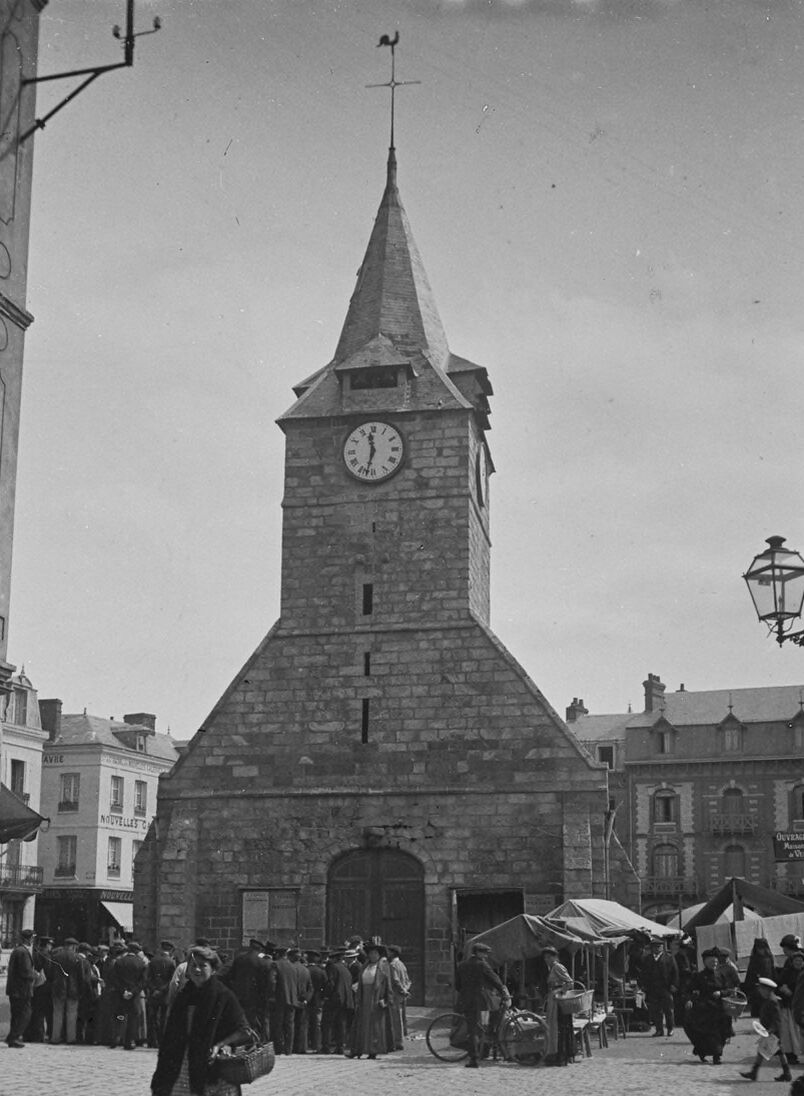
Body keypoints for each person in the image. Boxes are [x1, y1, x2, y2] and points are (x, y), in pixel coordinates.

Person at [151, 945, 250, 1096]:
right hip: (182, 1063)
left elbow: (243, 1030)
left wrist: (219, 1045)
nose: (197, 970)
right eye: (193, 966)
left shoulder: (224, 996)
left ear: (213, 969)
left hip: (212, 1065)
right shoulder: (184, 995)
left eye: (202, 966)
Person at [455, 941, 509, 1069]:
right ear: (478, 953)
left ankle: (475, 1057)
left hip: (467, 1000)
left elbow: (458, 985)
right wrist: (503, 991)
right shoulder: (482, 965)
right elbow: (494, 979)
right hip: (481, 1001)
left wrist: (465, 993)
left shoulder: (462, 965)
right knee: (487, 1023)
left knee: (472, 1029)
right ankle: (485, 1048)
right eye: (484, 953)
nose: (486, 956)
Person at [740, 977, 792, 1083]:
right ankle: (786, 1073)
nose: (759, 991)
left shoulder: (772, 1001)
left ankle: (755, 1073)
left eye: (761, 989)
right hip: (769, 1031)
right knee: (771, 1052)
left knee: (766, 1051)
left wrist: (770, 1030)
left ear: (767, 990)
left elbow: (776, 1019)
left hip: (773, 1032)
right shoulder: (768, 999)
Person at [682, 946, 729, 1064]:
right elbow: (689, 990)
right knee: (706, 1033)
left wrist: (721, 993)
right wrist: (689, 1000)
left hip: (720, 1008)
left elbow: (729, 990)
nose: (714, 963)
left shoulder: (721, 975)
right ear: (705, 962)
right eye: (712, 961)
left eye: (716, 962)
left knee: (721, 1033)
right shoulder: (699, 976)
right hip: (705, 1008)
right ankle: (706, 1052)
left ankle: (717, 1055)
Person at [347, 941, 393, 1060]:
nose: (373, 956)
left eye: (375, 954)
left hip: (376, 998)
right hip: (364, 998)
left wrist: (386, 1000)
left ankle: (373, 1051)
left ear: (379, 955)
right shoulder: (365, 966)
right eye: (371, 953)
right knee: (360, 1025)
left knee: (374, 1027)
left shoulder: (383, 967)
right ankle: (357, 1050)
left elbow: (388, 985)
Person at [223, 939, 271, 1043]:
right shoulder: (262, 962)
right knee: (257, 1020)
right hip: (256, 997)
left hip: (239, 995)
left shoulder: (239, 958)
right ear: (260, 949)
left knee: (242, 1020)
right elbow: (264, 982)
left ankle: (245, 1042)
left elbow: (230, 976)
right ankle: (258, 1042)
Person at [50, 936, 89, 1045]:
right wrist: (81, 990)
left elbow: (50, 973)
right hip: (73, 989)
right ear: (74, 946)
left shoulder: (56, 956)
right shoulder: (77, 958)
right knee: (71, 1014)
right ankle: (70, 1038)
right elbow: (81, 977)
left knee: (57, 1013)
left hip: (58, 989)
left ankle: (55, 1037)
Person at [109, 940, 147, 1049]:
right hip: (134, 995)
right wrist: (133, 991)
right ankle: (129, 1041)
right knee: (132, 1018)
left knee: (120, 1016)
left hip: (121, 994)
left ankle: (116, 1039)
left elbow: (115, 979)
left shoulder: (119, 962)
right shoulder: (141, 962)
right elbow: (142, 981)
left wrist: (123, 991)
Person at [541, 944, 574, 1066]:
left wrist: (560, 992)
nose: (546, 960)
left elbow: (569, 982)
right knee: (553, 1027)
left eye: (549, 957)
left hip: (558, 1001)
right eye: (545, 958)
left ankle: (560, 1055)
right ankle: (555, 1054)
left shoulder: (557, 967)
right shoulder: (552, 968)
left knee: (558, 1028)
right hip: (553, 998)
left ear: (554, 957)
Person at [639, 937, 678, 1037]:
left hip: (666, 988)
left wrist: (674, 985)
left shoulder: (669, 958)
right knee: (656, 1011)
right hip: (653, 988)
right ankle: (659, 1030)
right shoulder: (647, 959)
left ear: (662, 947)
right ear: (652, 948)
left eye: (659, 947)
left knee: (668, 1010)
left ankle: (670, 1029)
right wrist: (643, 986)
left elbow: (675, 972)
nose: (657, 949)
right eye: (655, 947)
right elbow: (643, 973)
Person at [5, 927, 36, 1048]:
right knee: (25, 1013)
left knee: (16, 1014)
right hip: (22, 989)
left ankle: (11, 1037)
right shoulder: (23, 952)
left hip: (15, 989)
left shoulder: (17, 950)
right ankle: (14, 1037)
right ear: (28, 939)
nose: (33, 941)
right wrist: (36, 976)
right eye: (32, 938)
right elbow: (26, 972)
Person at [321, 948, 354, 1055]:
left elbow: (330, 983)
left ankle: (326, 1047)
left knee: (327, 1023)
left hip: (334, 999)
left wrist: (325, 995)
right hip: (345, 1000)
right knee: (341, 1024)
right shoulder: (345, 968)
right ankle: (340, 1047)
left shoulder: (332, 967)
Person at [777, 934, 803, 1065]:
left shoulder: (791, 961)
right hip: (793, 1002)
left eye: (785, 948)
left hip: (795, 1003)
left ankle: (792, 1054)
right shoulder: (792, 961)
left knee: (792, 1031)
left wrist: (786, 989)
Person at [146, 941, 178, 1048]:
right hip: (164, 994)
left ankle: (152, 1041)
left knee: (152, 1017)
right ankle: (161, 1041)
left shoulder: (153, 961)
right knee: (163, 1018)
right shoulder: (171, 963)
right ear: (170, 950)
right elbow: (171, 980)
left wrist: (154, 989)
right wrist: (162, 990)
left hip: (153, 993)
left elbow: (148, 978)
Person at [386, 944, 411, 1049]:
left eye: (389, 952)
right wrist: (406, 990)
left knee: (396, 1019)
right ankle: (401, 1039)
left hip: (396, 995)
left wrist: (402, 990)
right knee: (401, 1018)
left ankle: (398, 1042)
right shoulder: (401, 964)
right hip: (402, 995)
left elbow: (396, 980)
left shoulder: (392, 965)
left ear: (393, 953)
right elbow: (407, 979)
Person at [743, 938, 775, 1017]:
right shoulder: (754, 958)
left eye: (762, 948)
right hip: (756, 984)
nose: (760, 950)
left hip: (768, 982)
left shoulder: (769, 957)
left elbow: (772, 971)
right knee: (757, 1002)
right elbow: (750, 973)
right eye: (758, 948)